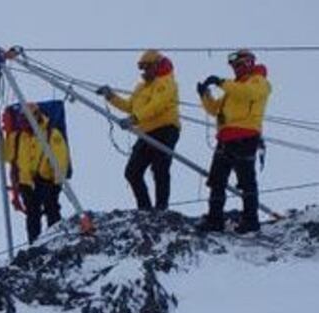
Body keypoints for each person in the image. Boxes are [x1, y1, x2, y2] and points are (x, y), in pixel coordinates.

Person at [196, 49, 271, 234]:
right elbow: (215, 110)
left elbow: (248, 94)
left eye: (239, 64)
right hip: (226, 138)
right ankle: (214, 220)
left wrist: (221, 82)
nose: (236, 69)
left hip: (245, 136)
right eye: (234, 66)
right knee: (216, 181)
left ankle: (251, 221)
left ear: (249, 63)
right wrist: (205, 95)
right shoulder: (233, 88)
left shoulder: (258, 81)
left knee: (246, 181)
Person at [96, 49, 181, 212]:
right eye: (142, 68)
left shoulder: (166, 82)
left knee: (160, 168)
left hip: (165, 129)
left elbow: (157, 105)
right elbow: (129, 106)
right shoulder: (141, 88)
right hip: (146, 132)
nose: (144, 72)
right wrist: (111, 96)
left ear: (156, 66)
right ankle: (145, 209)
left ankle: (161, 208)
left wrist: (134, 119)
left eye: (147, 67)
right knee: (132, 172)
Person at [3, 103, 70, 243]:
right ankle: (34, 244)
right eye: (22, 119)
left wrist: (58, 180)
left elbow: (61, 158)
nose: (23, 122)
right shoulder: (17, 137)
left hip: (47, 179)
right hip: (26, 182)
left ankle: (55, 240)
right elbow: (6, 156)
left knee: (51, 208)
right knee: (32, 215)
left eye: (26, 118)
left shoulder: (51, 134)